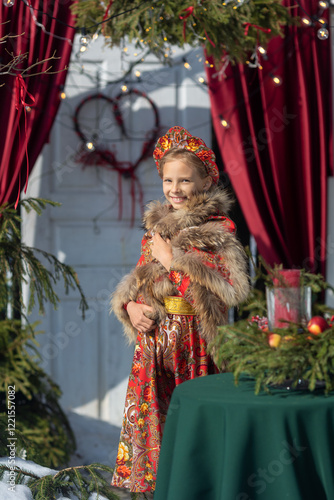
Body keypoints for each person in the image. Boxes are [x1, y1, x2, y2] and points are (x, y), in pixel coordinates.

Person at [110, 125, 250, 493]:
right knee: (154, 432)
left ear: (205, 182)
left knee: (194, 431)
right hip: (154, 349)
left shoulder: (218, 230)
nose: (174, 189)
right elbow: (141, 282)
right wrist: (131, 306)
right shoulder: (154, 231)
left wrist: (174, 260)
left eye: (185, 181)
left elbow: (229, 290)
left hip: (196, 347)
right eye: (168, 180)